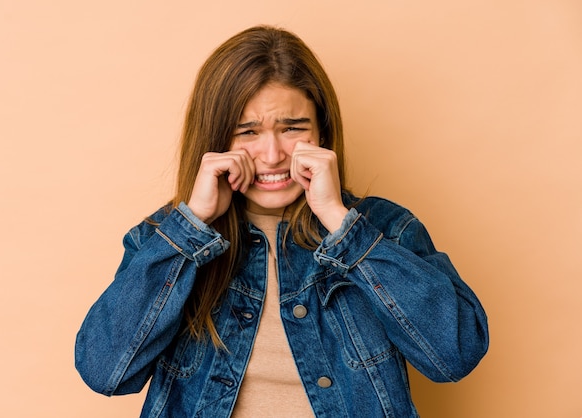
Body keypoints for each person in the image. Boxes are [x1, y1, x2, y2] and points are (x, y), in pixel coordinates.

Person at [75, 25, 489, 417]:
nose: (272, 155)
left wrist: (340, 223)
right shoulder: (165, 237)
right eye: (248, 132)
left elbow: (455, 354)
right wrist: (193, 224)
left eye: (292, 128)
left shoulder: (384, 227)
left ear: (322, 134)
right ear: (215, 140)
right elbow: (106, 372)